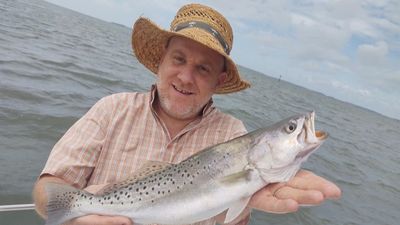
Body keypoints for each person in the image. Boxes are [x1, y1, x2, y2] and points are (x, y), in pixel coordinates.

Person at [33, 3, 341, 225]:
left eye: (203, 68)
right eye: (178, 59)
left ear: (219, 81)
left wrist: (241, 207)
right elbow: (49, 189)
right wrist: (76, 219)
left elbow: (231, 213)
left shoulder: (233, 133)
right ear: (161, 61)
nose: (185, 77)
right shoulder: (112, 109)